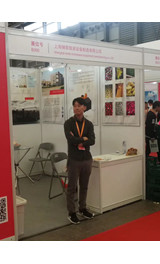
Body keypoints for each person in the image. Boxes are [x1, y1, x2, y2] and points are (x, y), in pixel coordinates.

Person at [64, 96, 96, 224]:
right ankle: (72, 212)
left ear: (84, 108)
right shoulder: (68, 123)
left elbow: (93, 141)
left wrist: (79, 139)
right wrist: (84, 139)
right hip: (74, 159)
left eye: (79, 106)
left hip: (87, 159)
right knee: (72, 188)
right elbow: (70, 140)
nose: (76, 108)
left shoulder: (89, 124)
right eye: (74, 106)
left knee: (84, 186)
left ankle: (82, 208)